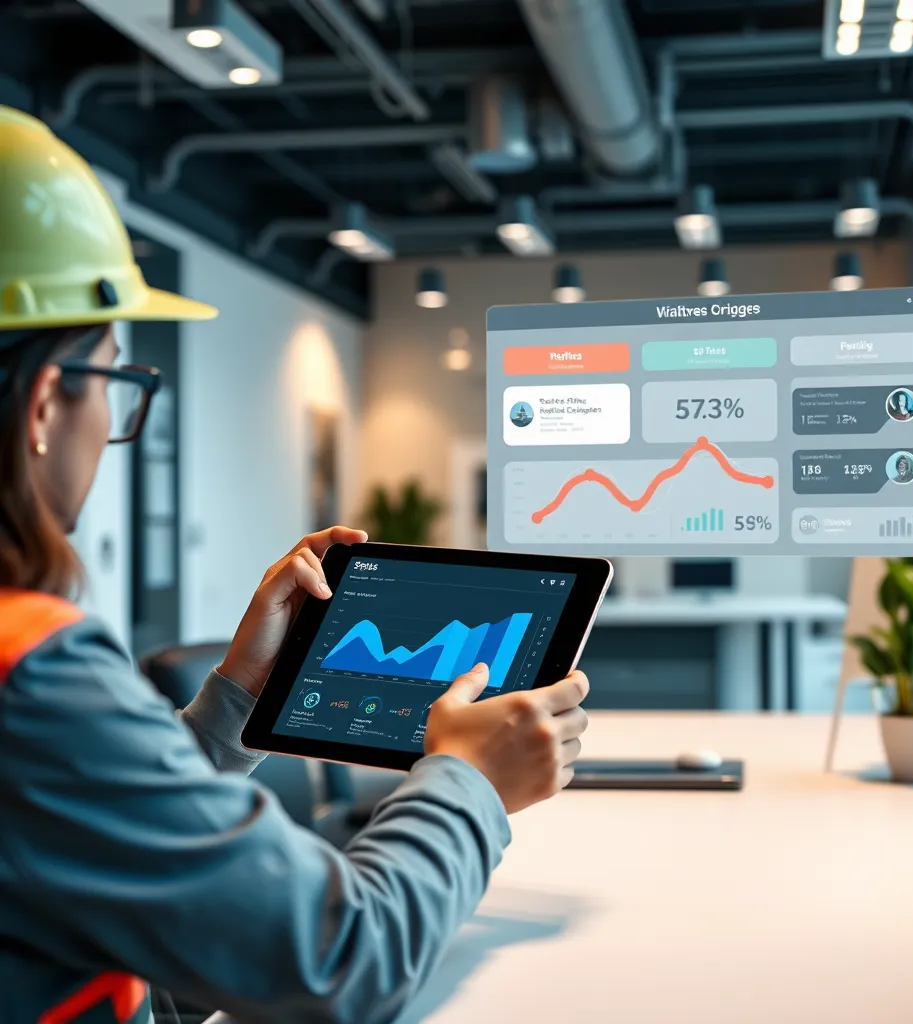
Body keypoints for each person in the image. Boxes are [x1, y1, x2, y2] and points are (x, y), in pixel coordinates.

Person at [0, 106, 590, 1023]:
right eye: (115, 382)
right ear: (44, 403)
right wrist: (470, 783)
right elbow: (341, 961)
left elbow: (60, 851)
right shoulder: (26, 674)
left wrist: (239, 692)